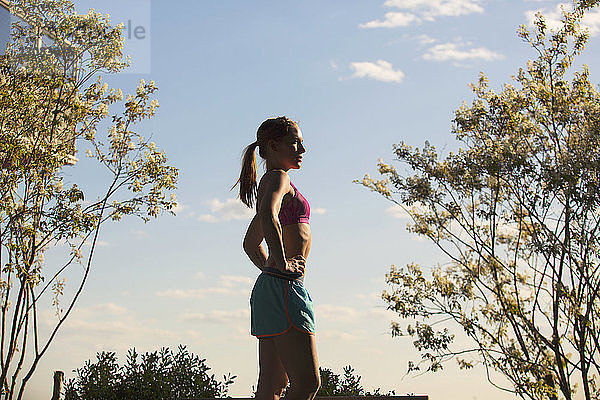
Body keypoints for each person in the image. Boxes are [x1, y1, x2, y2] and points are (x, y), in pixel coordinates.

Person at [234, 116, 320, 400]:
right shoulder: (278, 178)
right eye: (294, 143)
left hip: (274, 287)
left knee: (272, 385)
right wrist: (281, 264)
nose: (302, 150)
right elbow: (269, 216)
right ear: (272, 146)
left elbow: (250, 244)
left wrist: (271, 268)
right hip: (284, 288)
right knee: (308, 383)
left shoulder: (273, 182)